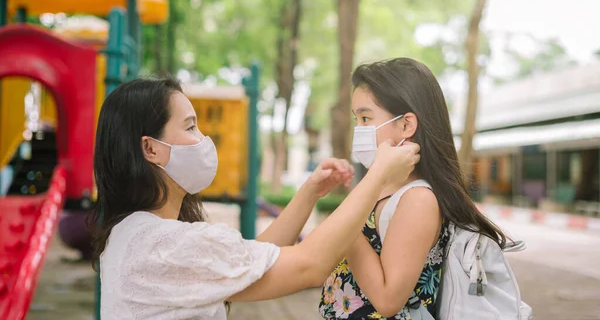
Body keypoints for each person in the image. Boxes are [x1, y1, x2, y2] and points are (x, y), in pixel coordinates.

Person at [90, 75, 421, 319]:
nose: (203, 140)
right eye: (190, 128)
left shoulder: (134, 233)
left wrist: (309, 194)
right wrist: (378, 176)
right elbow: (308, 265)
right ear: (151, 148)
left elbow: (256, 261)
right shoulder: (164, 244)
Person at [318, 58, 507, 320]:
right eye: (356, 119)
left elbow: (388, 300)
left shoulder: (417, 199)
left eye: (365, 118)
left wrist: (347, 229)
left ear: (406, 125)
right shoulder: (385, 188)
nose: (358, 130)